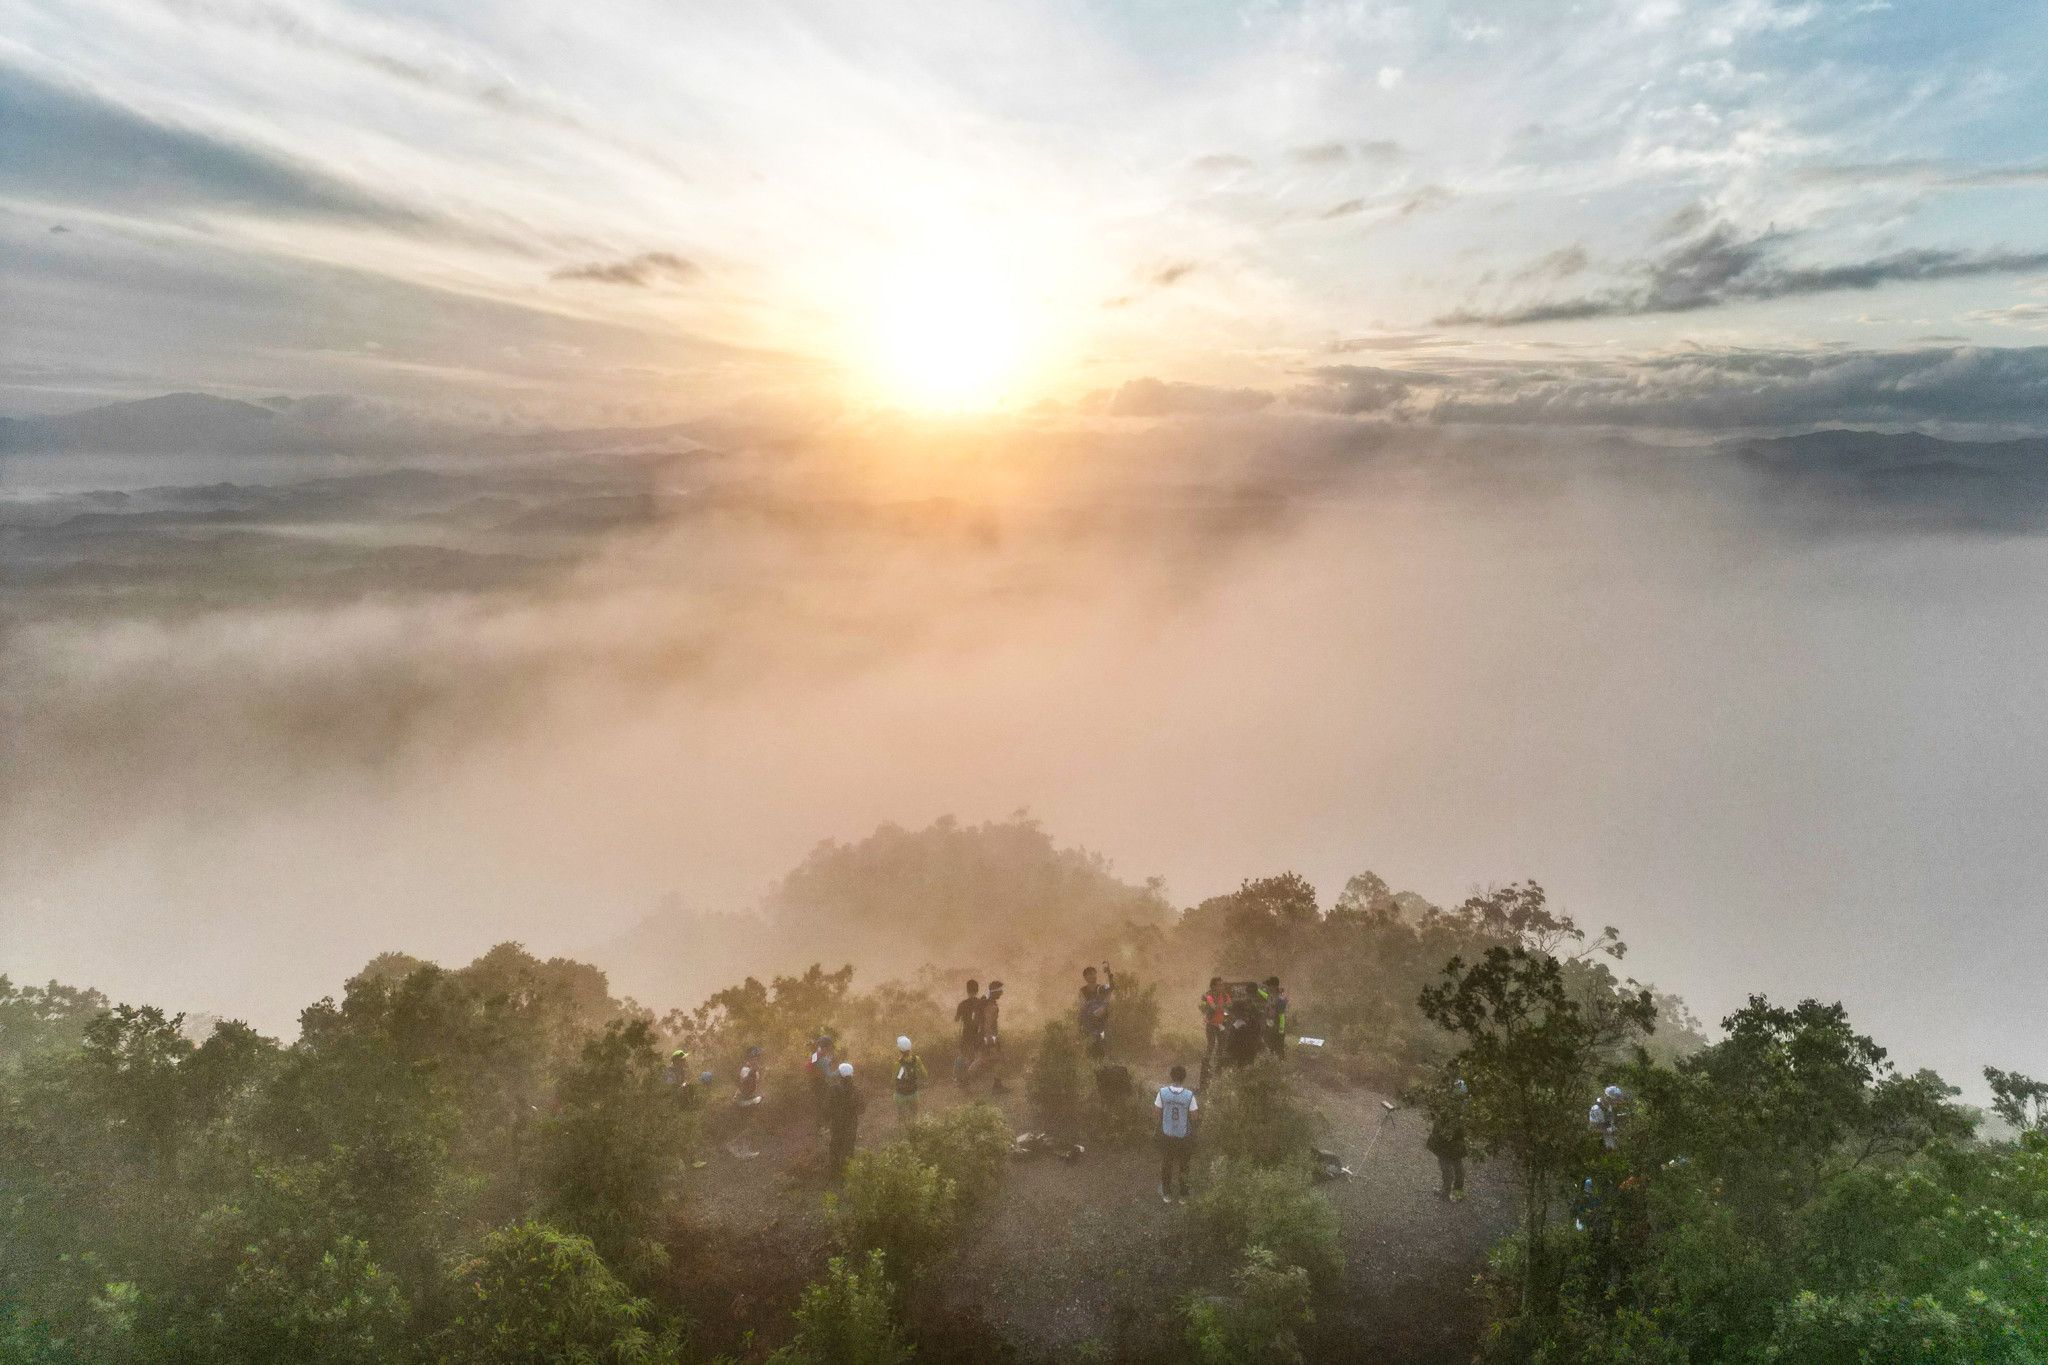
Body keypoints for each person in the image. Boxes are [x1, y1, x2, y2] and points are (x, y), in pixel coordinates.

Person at [1155, 1063, 1199, 1202]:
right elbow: (1194, 1116)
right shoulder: (1189, 1095)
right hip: (1183, 1135)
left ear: (1171, 1076)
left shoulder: (1162, 1092)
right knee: (1184, 1164)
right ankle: (1183, 1195)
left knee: (1167, 1162)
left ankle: (1167, 1194)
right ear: (1184, 1078)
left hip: (1167, 1133)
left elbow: (1157, 1112)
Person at [1427, 1077, 1470, 1201]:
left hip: (1448, 1140)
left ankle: (1446, 1193)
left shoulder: (1453, 1106)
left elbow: (1440, 1121)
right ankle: (1457, 1193)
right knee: (1457, 1165)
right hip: (1456, 1140)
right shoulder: (1463, 1104)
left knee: (1448, 1166)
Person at [827, 1060, 864, 1174]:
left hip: (836, 1122)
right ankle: (848, 1171)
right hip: (851, 1122)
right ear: (852, 1074)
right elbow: (862, 1108)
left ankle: (834, 1170)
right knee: (849, 1146)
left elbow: (827, 1107)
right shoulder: (856, 1090)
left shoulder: (833, 1088)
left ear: (839, 1075)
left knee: (835, 1144)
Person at [729, 1045, 765, 1159]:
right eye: (756, 1057)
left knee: (748, 1126)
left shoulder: (755, 1070)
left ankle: (742, 1148)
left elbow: (753, 1086)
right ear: (751, 1058)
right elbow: (744, 1081)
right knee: (747, 1126)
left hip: (748, 1099)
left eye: (759, 1057)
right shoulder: (745, 1069)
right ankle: (736, 1146)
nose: (758, 1059)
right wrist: (752, 1071)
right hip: (741, 1101)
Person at [1079, 963, 1116, 1059]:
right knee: (1091, 1042)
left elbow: (1111, 986)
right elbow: (1082, 1006)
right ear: (1085, 977)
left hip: (1101, 1019)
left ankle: (1105, 1060)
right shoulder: (1083, 990)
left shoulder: (1101, 987)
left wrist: (1109, 974)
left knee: (1103, 1039)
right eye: (1090, 974)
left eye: (1094, 973)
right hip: (1090, 1019)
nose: (1093, 976)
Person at [954, 980, 986, 1084]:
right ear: (977, 990)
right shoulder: (980, 1004)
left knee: (965, 1056)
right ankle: (967, 1076)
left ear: (967, 990)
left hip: (965, 1034)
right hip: (977, 1034)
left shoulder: (962, 1004)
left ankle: (960, 1078)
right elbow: (984, 1020)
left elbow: (956, 1019)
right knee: (979, 1057)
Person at [893, 1035, 928, 1126]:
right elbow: (925, 1074)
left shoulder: (898, 1064)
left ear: (899, 1050)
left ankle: (903, 1133)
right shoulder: (916, 1060)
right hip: (913, 1093)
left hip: (900, 1095)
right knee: (914, 1116)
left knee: (902, 1117)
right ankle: (914, 1133)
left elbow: (893, 1080)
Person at [807, 1033, 838, 1134]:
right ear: (827, 1046)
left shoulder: (815, 1054)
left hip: (813, 1082)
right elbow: (829, 1074)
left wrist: (828, 1061)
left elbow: (818, 1064)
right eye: (830, 1047)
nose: (831, 1049)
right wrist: (839, 1072)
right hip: (820, 1083)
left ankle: (821, 1127)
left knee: (819, 1104)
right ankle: (821, 1128)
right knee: (823, 1104)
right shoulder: (822, 1059)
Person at [982, 980, 1008, 1095]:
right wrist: (992, 1041)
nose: (1002, 993)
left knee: (984, 1060)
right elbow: (987, 1025)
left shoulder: (990, 1004)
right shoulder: (991, 1006)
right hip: (990, 1038)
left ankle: (964, 1080)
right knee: (998, 1059)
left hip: (989, 1037)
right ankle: (997, 1087)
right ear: (995, 992)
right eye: (1000, 991)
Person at [1201, 978, 1228, 1067]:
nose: (1222, 987)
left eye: (1222, 984)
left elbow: (1230, 1005)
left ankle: (1217, 1064)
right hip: (1211, 1024)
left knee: (1222, 1044)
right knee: (1211, 1045)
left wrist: (1222, 1007)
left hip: (1221, 1024)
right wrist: (1223, 1006)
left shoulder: (1224, 995)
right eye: (1219, 985)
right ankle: (1206, 1064)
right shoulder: (1209, 996)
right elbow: (1214, 1008)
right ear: (1213, 986)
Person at [1589, 1084, 1626, 1150]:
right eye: (1615, 1100)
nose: (1616, 1102)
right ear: (1608, 1098)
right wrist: (1611, 1130)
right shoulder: (1596, 1109)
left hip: (1610, 1140)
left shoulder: (1608, 1105)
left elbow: (1608, 1119)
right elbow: (1594, 1128)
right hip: (1600, 1144)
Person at [1263, 976, 1289, 1057]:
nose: (1266, 987)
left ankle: (1280, 1064)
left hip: (1277, 1026)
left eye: (1268, 985)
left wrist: (1281, 1031)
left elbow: (1282, 1016)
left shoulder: (1280, 999)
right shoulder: (1270, 997)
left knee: (1279, 1049)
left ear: (1273, 986)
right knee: (1270, 1048)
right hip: (1270, 1026)